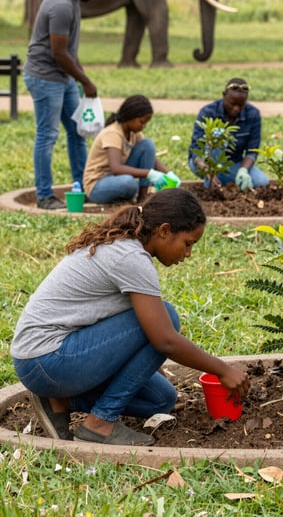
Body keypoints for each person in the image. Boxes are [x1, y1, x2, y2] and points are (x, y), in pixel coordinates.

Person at [10, 189, 250, 446]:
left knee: (160, 399)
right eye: (188, 243)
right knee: (166, 320)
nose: (188, 253)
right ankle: (100, 424)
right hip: (47, 359)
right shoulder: (129, 256)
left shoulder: (124, 246)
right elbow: (165, 341)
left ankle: (58, 398)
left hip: (46, 361)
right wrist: (222, 369)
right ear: (164, 231)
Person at [23, 0, 106, 210]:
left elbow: (69, 51)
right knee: (47, 136)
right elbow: (59, 53)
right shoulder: (61, 5)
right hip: (45, 76)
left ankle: (83, 186)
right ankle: (45, 196)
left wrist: (80, 78)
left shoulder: (73, 0)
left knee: (77, 131)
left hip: (63, 77)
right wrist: (85, 81)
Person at [83, 95, 179, 204]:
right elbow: (116, 168)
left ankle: (142, 198)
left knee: (147, 144)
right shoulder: (113, 133)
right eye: (141, 122)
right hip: (98, 186)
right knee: (129, 184)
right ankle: (125, 195)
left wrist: (169, 174)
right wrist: (149, 173)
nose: (144, 126)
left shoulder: (133, 133)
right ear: (130, 117)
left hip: (117, 179)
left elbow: (150, 158)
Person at [188, 78, 269, 190]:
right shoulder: (208, 112)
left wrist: (243, 170)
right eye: (232, 104)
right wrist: (208, 171)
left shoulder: (253, 114)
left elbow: (252, 150)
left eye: (241, 105)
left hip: (233, 164)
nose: (236, 108)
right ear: (224, 95)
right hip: (202, 164)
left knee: (262, 182)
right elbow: (195, 150)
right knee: (218, 134)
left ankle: (222, 181)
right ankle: (211, 183)